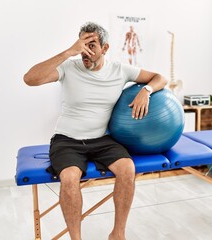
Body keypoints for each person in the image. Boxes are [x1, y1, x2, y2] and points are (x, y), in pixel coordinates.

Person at [23, 22, 168, 240]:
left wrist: (146, 90)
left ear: (105, 48)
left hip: (102, 139)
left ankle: (118, 234)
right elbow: (30, 79)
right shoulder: (69, 68)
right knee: (70, 178)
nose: (85, 52)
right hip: (67, 140)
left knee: (127, 169)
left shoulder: (120, 70)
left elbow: (161, 78)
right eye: (82, 45)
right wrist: (68, 52)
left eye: (91, 45)